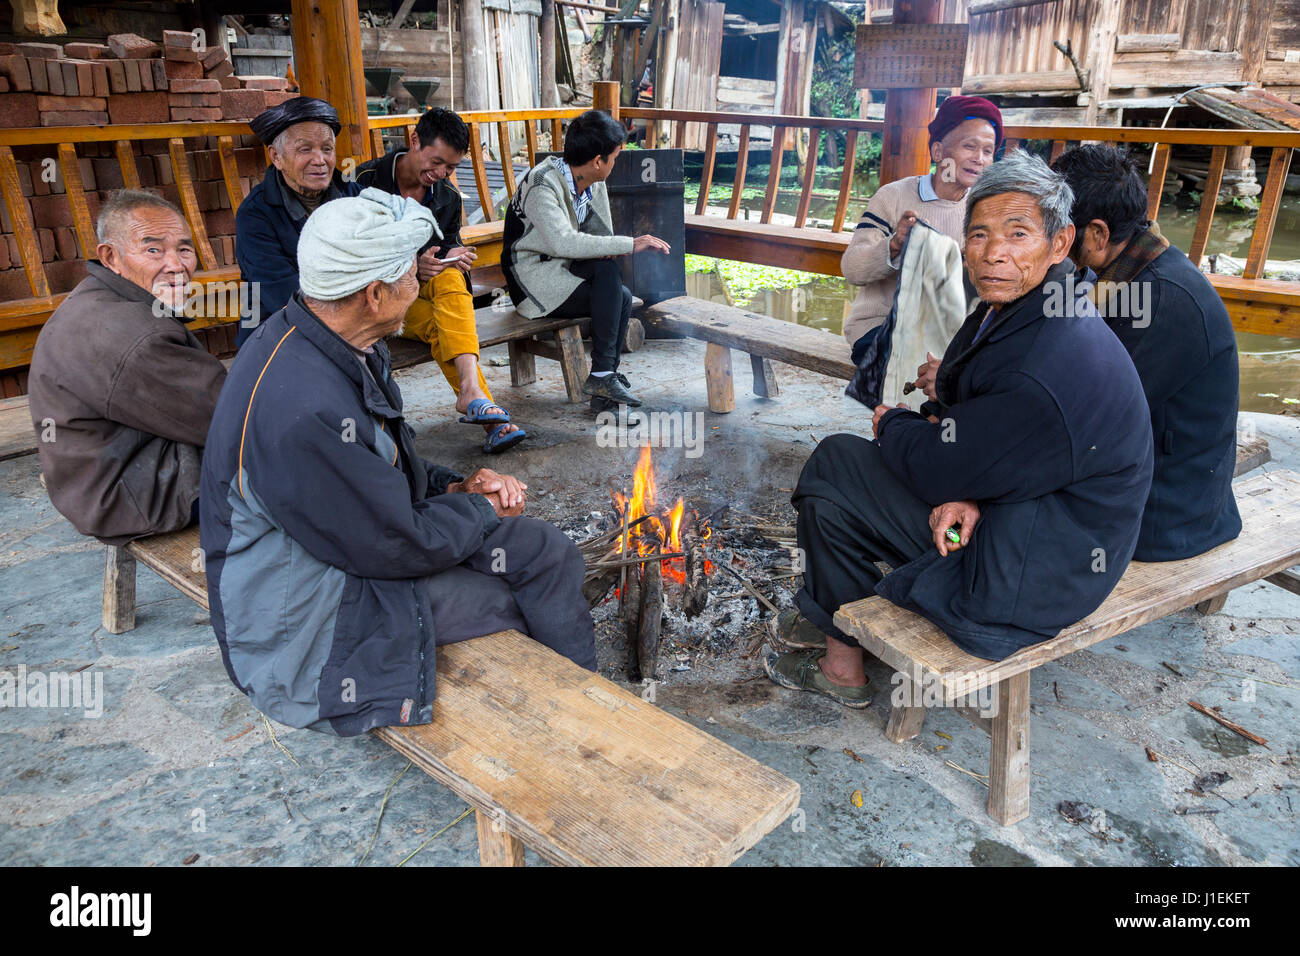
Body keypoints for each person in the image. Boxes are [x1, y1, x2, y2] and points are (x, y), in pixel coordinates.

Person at [201, 188, 596, 736]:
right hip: (309, 616)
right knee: (506, 599)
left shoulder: (333, 340)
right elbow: (394, 544)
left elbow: (380, 468)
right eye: (413, 274)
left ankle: (583, 697)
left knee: (543, 551)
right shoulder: (303, 406)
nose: (422, 283)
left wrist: (454, 487)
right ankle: (568, 725)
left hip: (356, 543)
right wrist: (478, 509)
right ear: (374, 293)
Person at [764, 153, 1153, 707]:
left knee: (836, 463)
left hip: (1035, 575)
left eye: (1018, 233)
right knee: (833, 500)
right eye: (979, 233)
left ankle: (840, 649)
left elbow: (939, 464)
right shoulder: (1032, 302)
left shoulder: (1044, 355)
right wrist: (972, 489)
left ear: (1061, 242)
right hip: (1032, 519)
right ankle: (842, 644)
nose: (994, 252)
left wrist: (895, 424)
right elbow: (992, 437)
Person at [1053, 143, 1241, 561]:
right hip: (1152, 478)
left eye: (1059, 228)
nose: (1053, 240)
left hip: (1166, 516)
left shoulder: (1160, 301)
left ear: (1098, 234)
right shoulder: (1127, 266)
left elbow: (1084, 418)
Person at [27, 190, 226, 544]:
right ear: (111, 257)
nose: (177, 265)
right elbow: (231, 418)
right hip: (129, 495)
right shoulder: (137, 337)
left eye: (183, 249)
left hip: (89, 477)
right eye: (153, 250)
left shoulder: (98, 295)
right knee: (284, 455)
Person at [355, 107, 527, 454]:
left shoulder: (445, 196)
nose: (440, 173)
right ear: (415, 141)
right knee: (442, 326)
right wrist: (413, 267)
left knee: (451, 278)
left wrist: (454, 256)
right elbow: (353, 258)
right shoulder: (365, 181)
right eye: (435, 162)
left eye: (450, 167)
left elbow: (447, 244)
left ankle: (472, 393)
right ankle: (488, 414)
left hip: (423, 292)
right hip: (375, 300)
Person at [501, 109, 670, 408]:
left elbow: (599, 237)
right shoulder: (542, 183)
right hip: (531, 280)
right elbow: (564, 242)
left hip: (563, 269)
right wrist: (632, 243)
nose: (615, 163)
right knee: (616, 292)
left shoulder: (594, 182)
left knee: (620, 291)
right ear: (597, 161)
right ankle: (605, 376)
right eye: (615, 157)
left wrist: (620, 248)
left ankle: (604, 380)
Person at [841, 95, 1002, 349]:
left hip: (946, 334)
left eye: (987, 151)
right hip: (881, 326)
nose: (979, 159)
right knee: (909, 365)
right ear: (938, 151)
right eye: (969, 146)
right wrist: (895, 244)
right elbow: (853, 269)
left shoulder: (986, 210)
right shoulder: (893, 196)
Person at [234, 96, 360, 346]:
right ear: (277, 157)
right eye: (305, 149)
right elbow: (281, 293)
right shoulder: (255, 213)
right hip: (278, 327)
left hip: (350, 321)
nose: (320, 160)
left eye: (327, 148)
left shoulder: (353, 195)